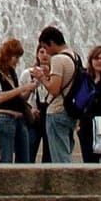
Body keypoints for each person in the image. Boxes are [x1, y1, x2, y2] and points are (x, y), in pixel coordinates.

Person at [32, 25, 78, 165]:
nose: (47, 51)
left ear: (52, 43)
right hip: (70, 112)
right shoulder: (74, 56)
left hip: (57, 112)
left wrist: (41, 77)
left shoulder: (58, 59)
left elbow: (54, 89)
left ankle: (64, 185)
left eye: (46, 47)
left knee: (59, 158)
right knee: (66, 151)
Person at [0, 38, 31, 165]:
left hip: (20, 119)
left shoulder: (11, 72)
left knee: (24, 160)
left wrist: (31, 88)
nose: (16, 61)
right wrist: (21, 88)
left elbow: (18, 98)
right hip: (5, 118)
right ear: (7, 55)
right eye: (15, 56)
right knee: (6, 158)